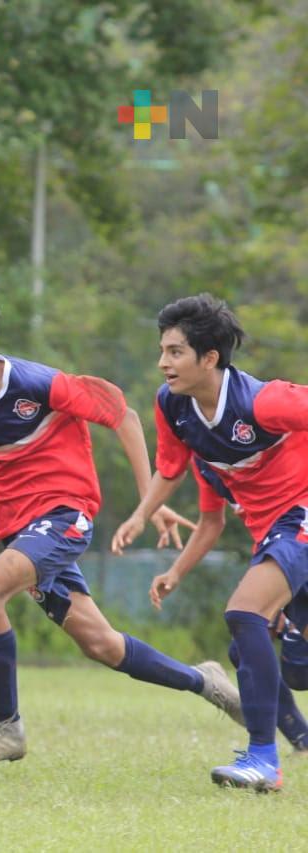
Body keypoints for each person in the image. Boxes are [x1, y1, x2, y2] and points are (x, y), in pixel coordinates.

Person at [0, 288, 241, 769]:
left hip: (65, 516)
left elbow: (124, 415)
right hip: (18, 532)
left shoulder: (38, 383)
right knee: (101, 644)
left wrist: (150, 500)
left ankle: (5, 726)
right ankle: (206, 682)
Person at [112, 294, 308, 790]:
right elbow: (170, 470)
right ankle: (298, 739)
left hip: (301, 516)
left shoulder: (264, 401)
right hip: (275, 534)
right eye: (162, 350)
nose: (163, 362)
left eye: (175, 351)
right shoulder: (173, 407)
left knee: (244, 613)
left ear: (210, 357)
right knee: (285, 666)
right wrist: (140, 515)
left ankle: (263, 760)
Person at [143, 456, 308, 758]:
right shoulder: (206, 458)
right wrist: (176, 572)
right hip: (277, 552)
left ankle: (272, 752)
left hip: (297, 542)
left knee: (254, 632)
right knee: (260, 652)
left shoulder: (267, 432)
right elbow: (210, 521)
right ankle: (302, 741)